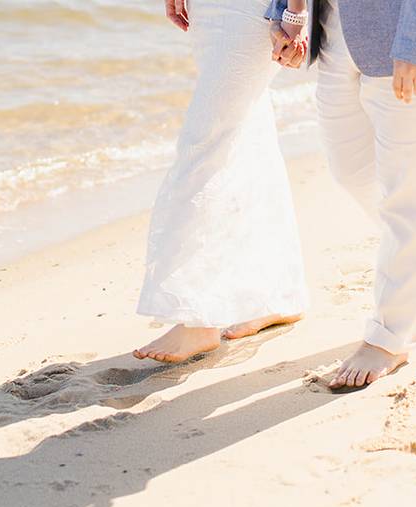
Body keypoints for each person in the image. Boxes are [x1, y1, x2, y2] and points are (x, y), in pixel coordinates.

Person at [267, 0, 416, 390]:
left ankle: (391, 336)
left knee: (410, 196)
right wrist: (289, 11)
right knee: (351, 170)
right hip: (337, 28)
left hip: (409, 28)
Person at [133, 0, 312, 363]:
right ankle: (279, 293)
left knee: (203, 143)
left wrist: (296, 13)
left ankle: (197, 318)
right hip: (209, 12)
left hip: (250, 12)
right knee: (247, 133)